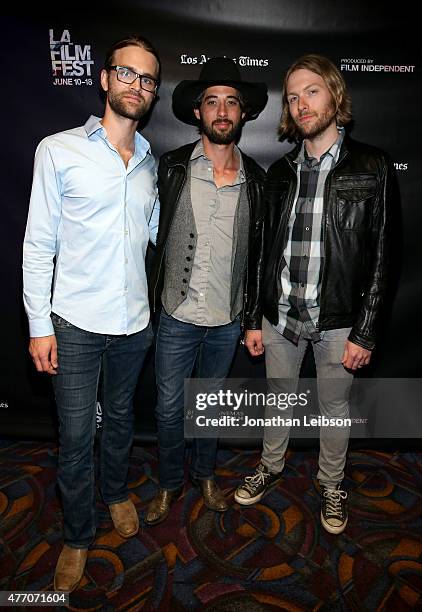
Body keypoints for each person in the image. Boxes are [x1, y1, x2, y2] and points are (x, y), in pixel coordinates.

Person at [23, 35, 160, 591]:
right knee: (77, 436)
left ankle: (117, 493)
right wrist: (38, 325)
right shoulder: (57, 149)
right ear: (104, 79)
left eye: (148, 79)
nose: (137, 86)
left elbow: (150, 238)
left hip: (134, 324)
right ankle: (79, 536)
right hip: (74, 325)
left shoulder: (151, 163)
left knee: (122, 420)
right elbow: (39, 245)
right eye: (127, 74)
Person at [234, 54, 393, 535]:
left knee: (334, 408)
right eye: (295, 96)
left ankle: (331, 483)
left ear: (334, 96)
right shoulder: (280, 171)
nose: (303, 104)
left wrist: (365, 332)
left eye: (313, 91)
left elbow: (385, 256)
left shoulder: (373, 165)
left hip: (338, 319)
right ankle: (272, 465)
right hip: (279, 315)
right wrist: (251, 318)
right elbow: (262, 252)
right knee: (279, 398)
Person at [145, 57, 267, 525]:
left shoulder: (256, 178)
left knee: (210, 408)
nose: (222, 110)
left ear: (243, 114)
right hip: (176, 314)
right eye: (212, 101)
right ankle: (169, 483)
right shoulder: (172, 167)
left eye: (231, 102)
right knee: (170, 408)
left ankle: (206, 474)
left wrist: (251, 318)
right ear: (198, 112)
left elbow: (258, 257)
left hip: (226, 319)